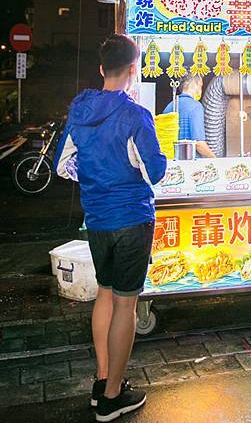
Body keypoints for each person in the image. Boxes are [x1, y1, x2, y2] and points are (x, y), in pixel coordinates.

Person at [55, 34, 166, 422]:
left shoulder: (80, 109)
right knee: (126, 302)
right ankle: (114, 395)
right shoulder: (136, 115)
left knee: (105, 293)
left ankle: (102, 379)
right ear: (133, 71)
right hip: (132, 218)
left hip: (97, 220)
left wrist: (95, 177)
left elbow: (63, 164)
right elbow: (156, 171)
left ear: (102, 69)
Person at [162, 73, 216, 158]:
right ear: (195, 83)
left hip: (170, 163)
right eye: (201, 86)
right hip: (190, 163)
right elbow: (199, 144)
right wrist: (215, 159)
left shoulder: (168, 107)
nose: (200, 90)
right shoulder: (195, 106)